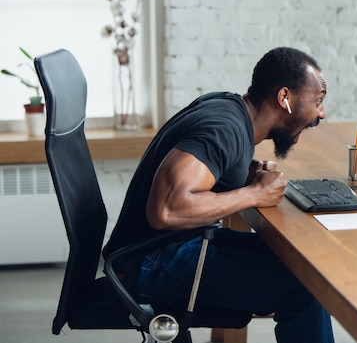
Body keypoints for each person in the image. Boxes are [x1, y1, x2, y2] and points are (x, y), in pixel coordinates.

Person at [102, 47, 333, 342]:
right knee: (305, 291)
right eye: (318, 100)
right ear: (284, 98)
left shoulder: (230, 110)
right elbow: (166, 210)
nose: (321, 112)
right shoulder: (224, 129)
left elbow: (204, 167)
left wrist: (242, 173)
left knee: (306, 268)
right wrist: (253, 194)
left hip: (165, 248)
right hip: (149, 261)